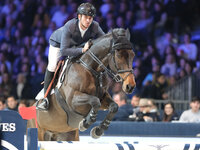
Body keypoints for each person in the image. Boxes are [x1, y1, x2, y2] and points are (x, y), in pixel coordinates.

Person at [37, 3, 105, 110]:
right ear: (79, 17)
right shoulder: (70, 26)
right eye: (86, 18)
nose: (88, 21)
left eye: (90, 18)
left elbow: (104, 40)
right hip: (59, 44)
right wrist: (82, 50)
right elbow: (64, 51)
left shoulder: (95, 26)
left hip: (76, 45)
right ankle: (45, 98)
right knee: (52, 66)